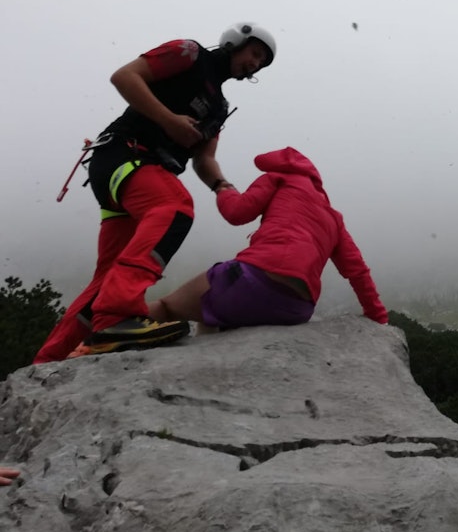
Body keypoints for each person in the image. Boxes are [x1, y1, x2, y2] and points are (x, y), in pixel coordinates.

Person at [34, 23, 277, 363]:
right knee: (175, 206)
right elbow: (124, 76)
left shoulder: (218, 108)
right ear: (236, 41)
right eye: (254, 53)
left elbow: (204, 159)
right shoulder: (188, 53)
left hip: (135, 177)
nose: (255, 64)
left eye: (261, 63)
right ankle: (117, 315)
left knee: (106, 278)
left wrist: (223, 186)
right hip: (124, 154)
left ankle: (48, 362)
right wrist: (168, 119)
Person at [144, 146, 388, 331]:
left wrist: (222, 187)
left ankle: (112, 327)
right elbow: (358, 272)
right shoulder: (334, 217)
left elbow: (236, 213)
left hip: (254, 281)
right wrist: (379, 320)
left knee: (166, 307)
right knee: (211, 317)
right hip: (297, 309)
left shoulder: (279, 178)